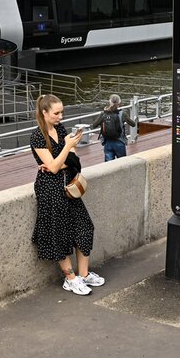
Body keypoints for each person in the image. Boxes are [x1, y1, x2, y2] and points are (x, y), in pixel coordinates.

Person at [30, 94, 105, 296]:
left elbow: (69, 161)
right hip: (50, 190)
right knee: (58, 234)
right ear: (44, 113)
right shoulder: (38, 136)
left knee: (84, 226)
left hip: (67, 185)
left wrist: (62, 158)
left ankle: (83, 274)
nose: (61, 116)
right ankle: (70, 279)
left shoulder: (60, 130)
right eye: (56, 113)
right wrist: (67, 149)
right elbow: (54, 168)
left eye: (62, 112)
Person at [94, 94, 138, 162]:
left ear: (109, 102)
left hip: (107, 142)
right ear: (119, 103)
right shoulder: (122, 114)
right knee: (121, 164)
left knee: (108, 166)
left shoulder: (103, 113)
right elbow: (133, 124)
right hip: (120, 142)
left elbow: (94, 125)